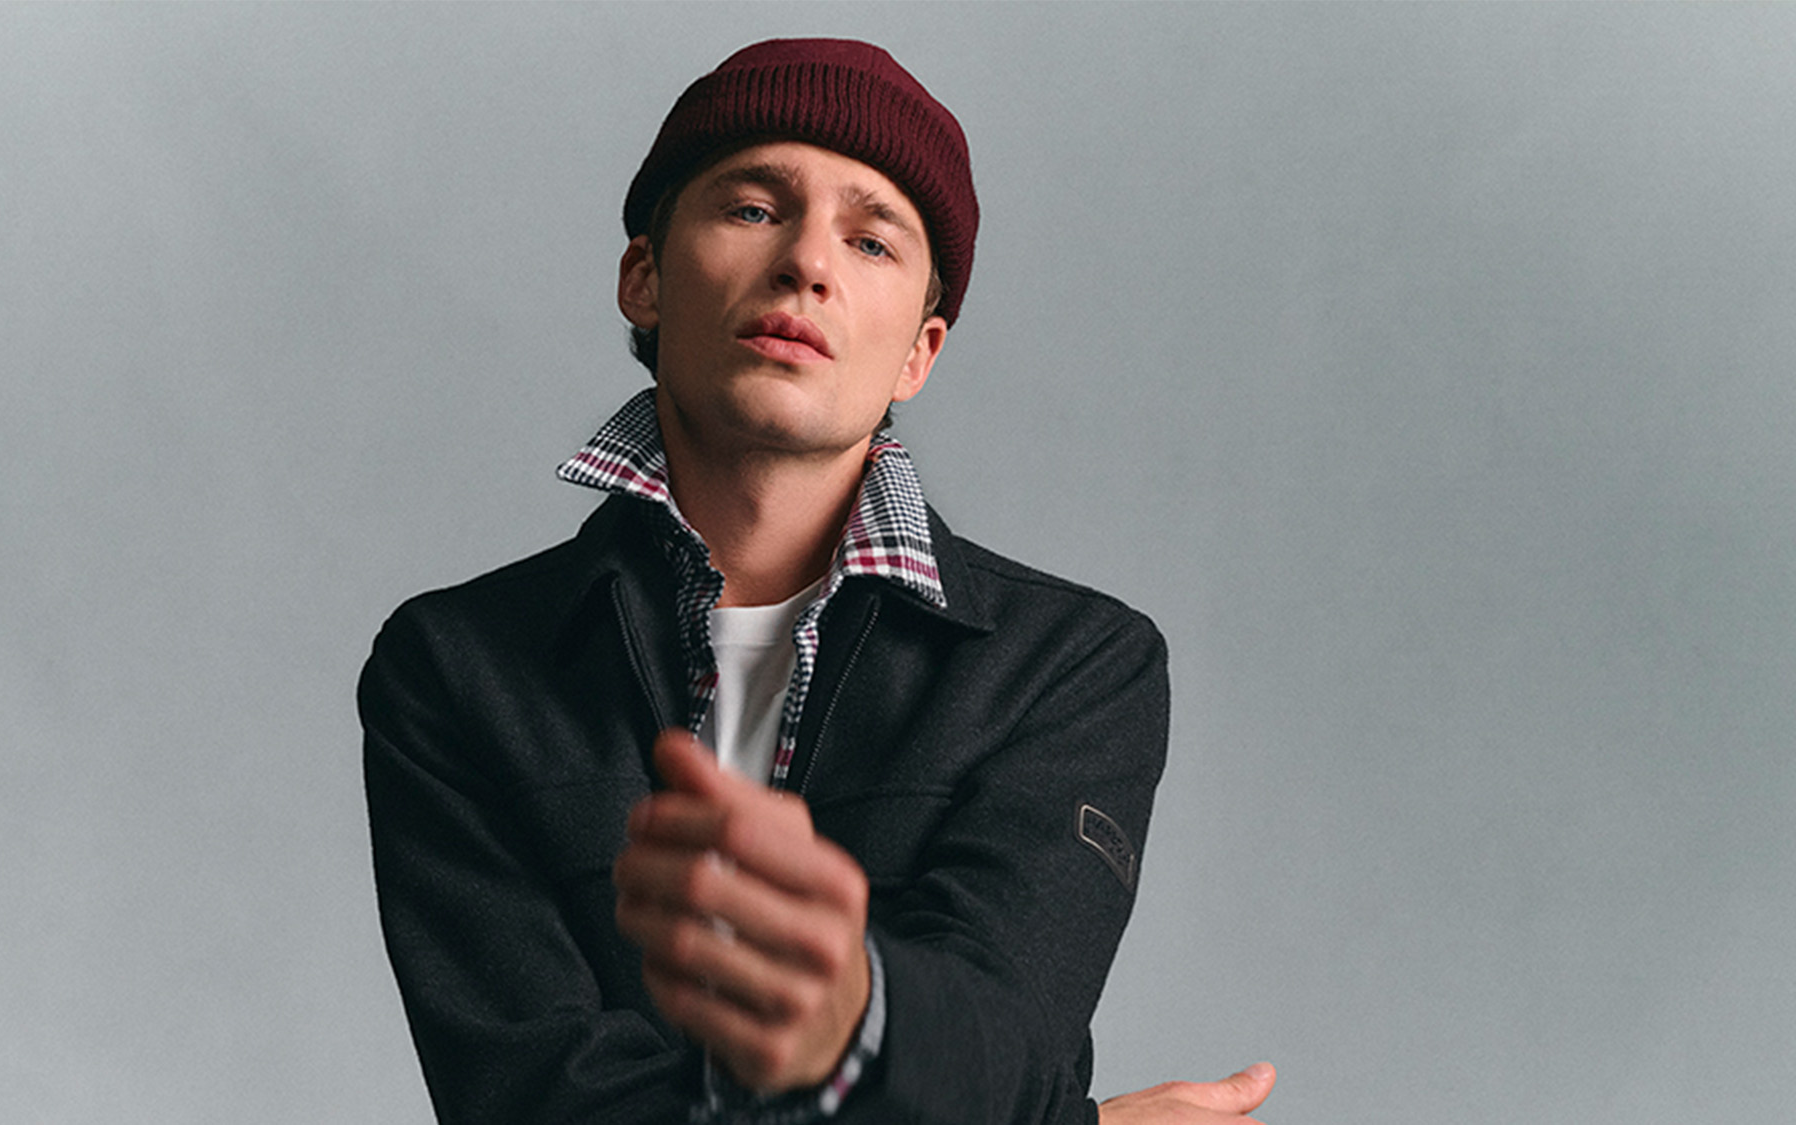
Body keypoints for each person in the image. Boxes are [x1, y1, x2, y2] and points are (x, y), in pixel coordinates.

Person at [360, 37, 1275, 1125]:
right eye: (752, 208)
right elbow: (537, 1100)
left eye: (873, 240)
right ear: (643, 277)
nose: (807, 263)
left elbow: (1007, 1045)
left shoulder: (1073, 669)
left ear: (917, 355)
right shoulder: (455, 668)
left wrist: (858, 1011)